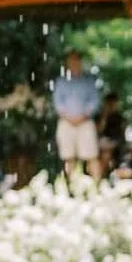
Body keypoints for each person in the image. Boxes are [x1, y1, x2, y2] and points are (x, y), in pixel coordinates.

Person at [51, 50, 103, 178]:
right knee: (68, 157)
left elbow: (95, 101)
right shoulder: (61, 82)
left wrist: (83, 116)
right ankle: (72, 188)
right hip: (66, 122)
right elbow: (57, 102)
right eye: (71, 61)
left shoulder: (88, 81)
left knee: (92, 156)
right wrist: (68, 117)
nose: (74, 63)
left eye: (76, 60)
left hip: (85, 122)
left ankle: (96, 187)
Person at [97, 91, 127, 174]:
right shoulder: (99, 117)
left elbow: (121, 137)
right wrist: (105, 116)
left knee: (106, 153)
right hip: (100, 144)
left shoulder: (120, 119)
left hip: (116, 145)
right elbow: (98, 131)